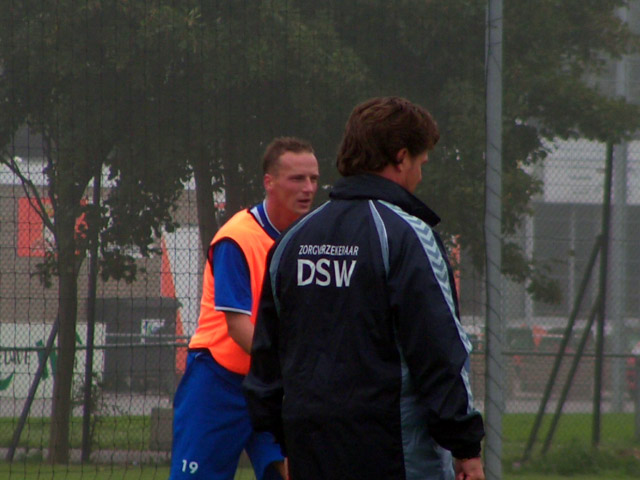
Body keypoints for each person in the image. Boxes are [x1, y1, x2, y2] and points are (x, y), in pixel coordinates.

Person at [244, 97, 485, 480]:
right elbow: (440, 351)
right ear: (401, 158)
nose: (420, 175)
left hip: (310, 450)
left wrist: (280, 440)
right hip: (394, 453)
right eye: (421, 163)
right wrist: (465, 445)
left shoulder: (292, 241)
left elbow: (267, 356)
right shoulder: (407, 235)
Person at [169, 137, 319, 480]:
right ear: (269, 182)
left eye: (313, 178)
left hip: (271, 385)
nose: (308, 188)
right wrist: (294, 366)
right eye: (297, 179)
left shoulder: (309, 240)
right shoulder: (237, 238)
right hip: (218, 382)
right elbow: (238, 328)